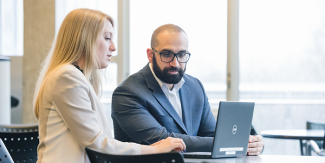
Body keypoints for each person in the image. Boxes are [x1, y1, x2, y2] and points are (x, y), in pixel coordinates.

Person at [33, 9, 185, 163]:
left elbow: (99, 141)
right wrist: (154, 150)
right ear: (84, 39)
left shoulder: (75, 77)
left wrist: (154, 148)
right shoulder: (66, 77)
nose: (113, 47)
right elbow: (97, 143)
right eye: (107, 38)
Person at [111, 24, 264, 155]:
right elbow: (165, 141)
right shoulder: (127, 93)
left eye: (182, 54)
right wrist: (233, 143)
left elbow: (210, 134)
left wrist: (250, 143)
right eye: (167, 54)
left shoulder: (194, 86)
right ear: (150, 55)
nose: (175, 63)